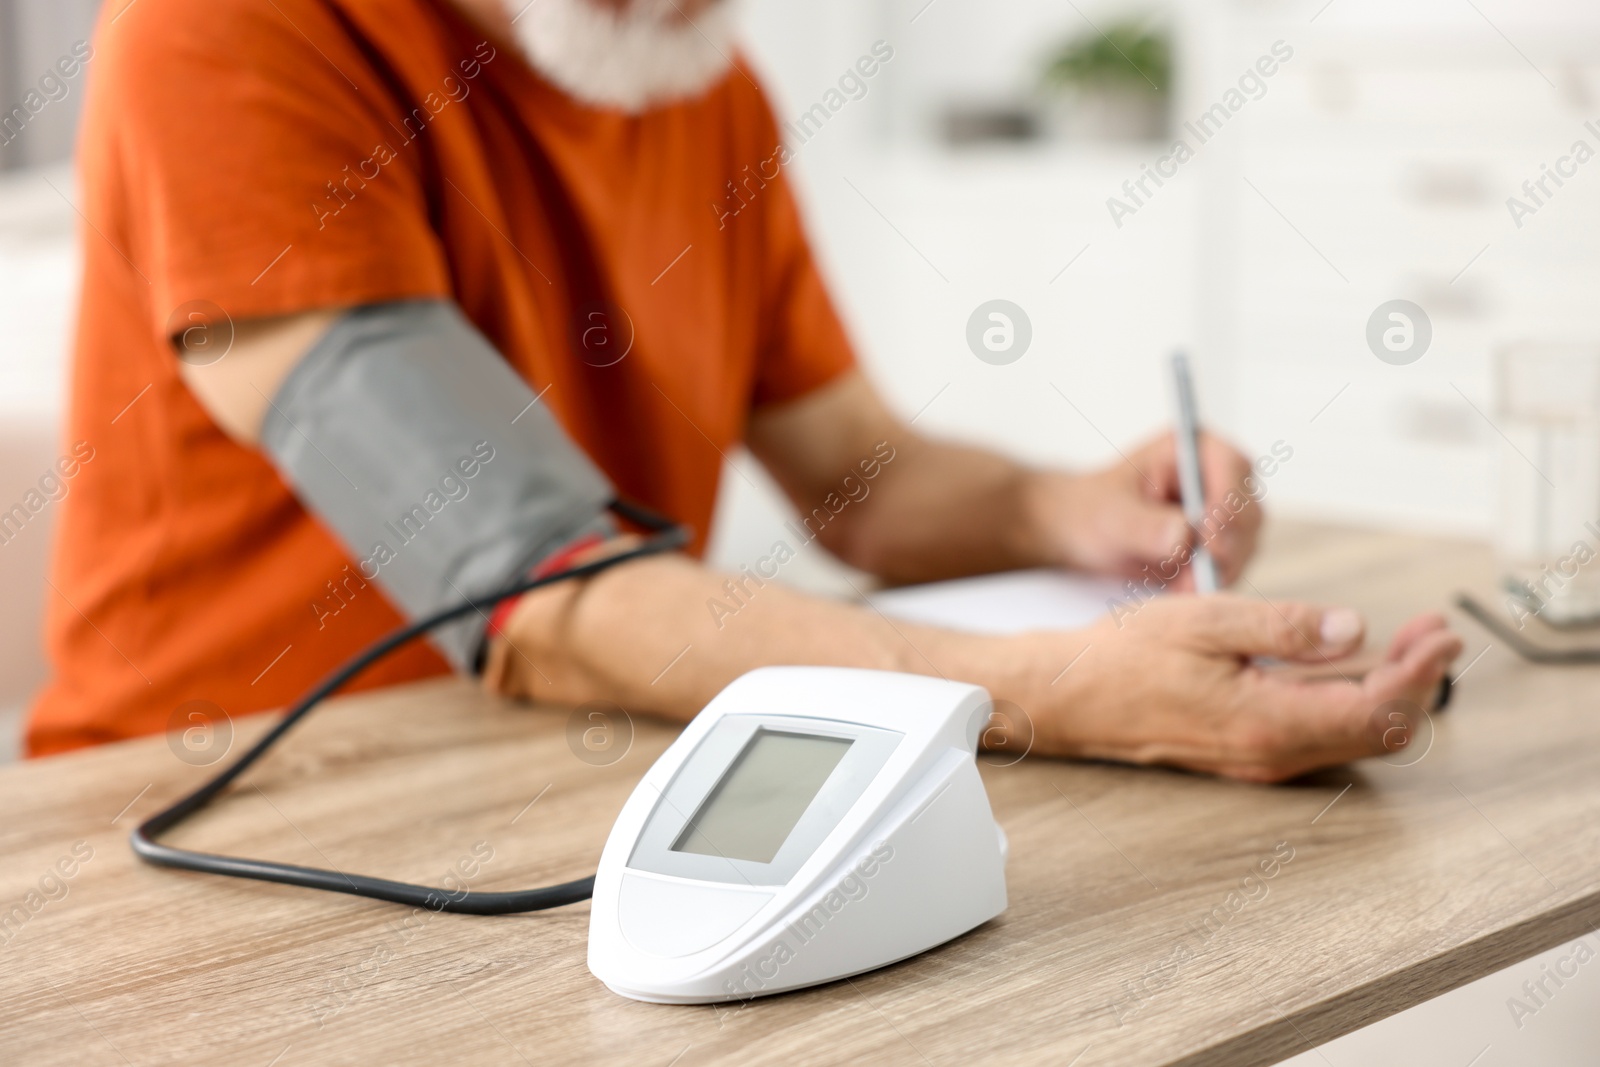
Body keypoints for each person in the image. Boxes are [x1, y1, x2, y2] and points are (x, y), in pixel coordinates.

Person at [29, 0, 1460, 782]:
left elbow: (861, 473)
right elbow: (519, 577)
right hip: (207, 815)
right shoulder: (227, 33)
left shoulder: (690, 71)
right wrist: (1045, 695)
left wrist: (1063, 508)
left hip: (572, 766)